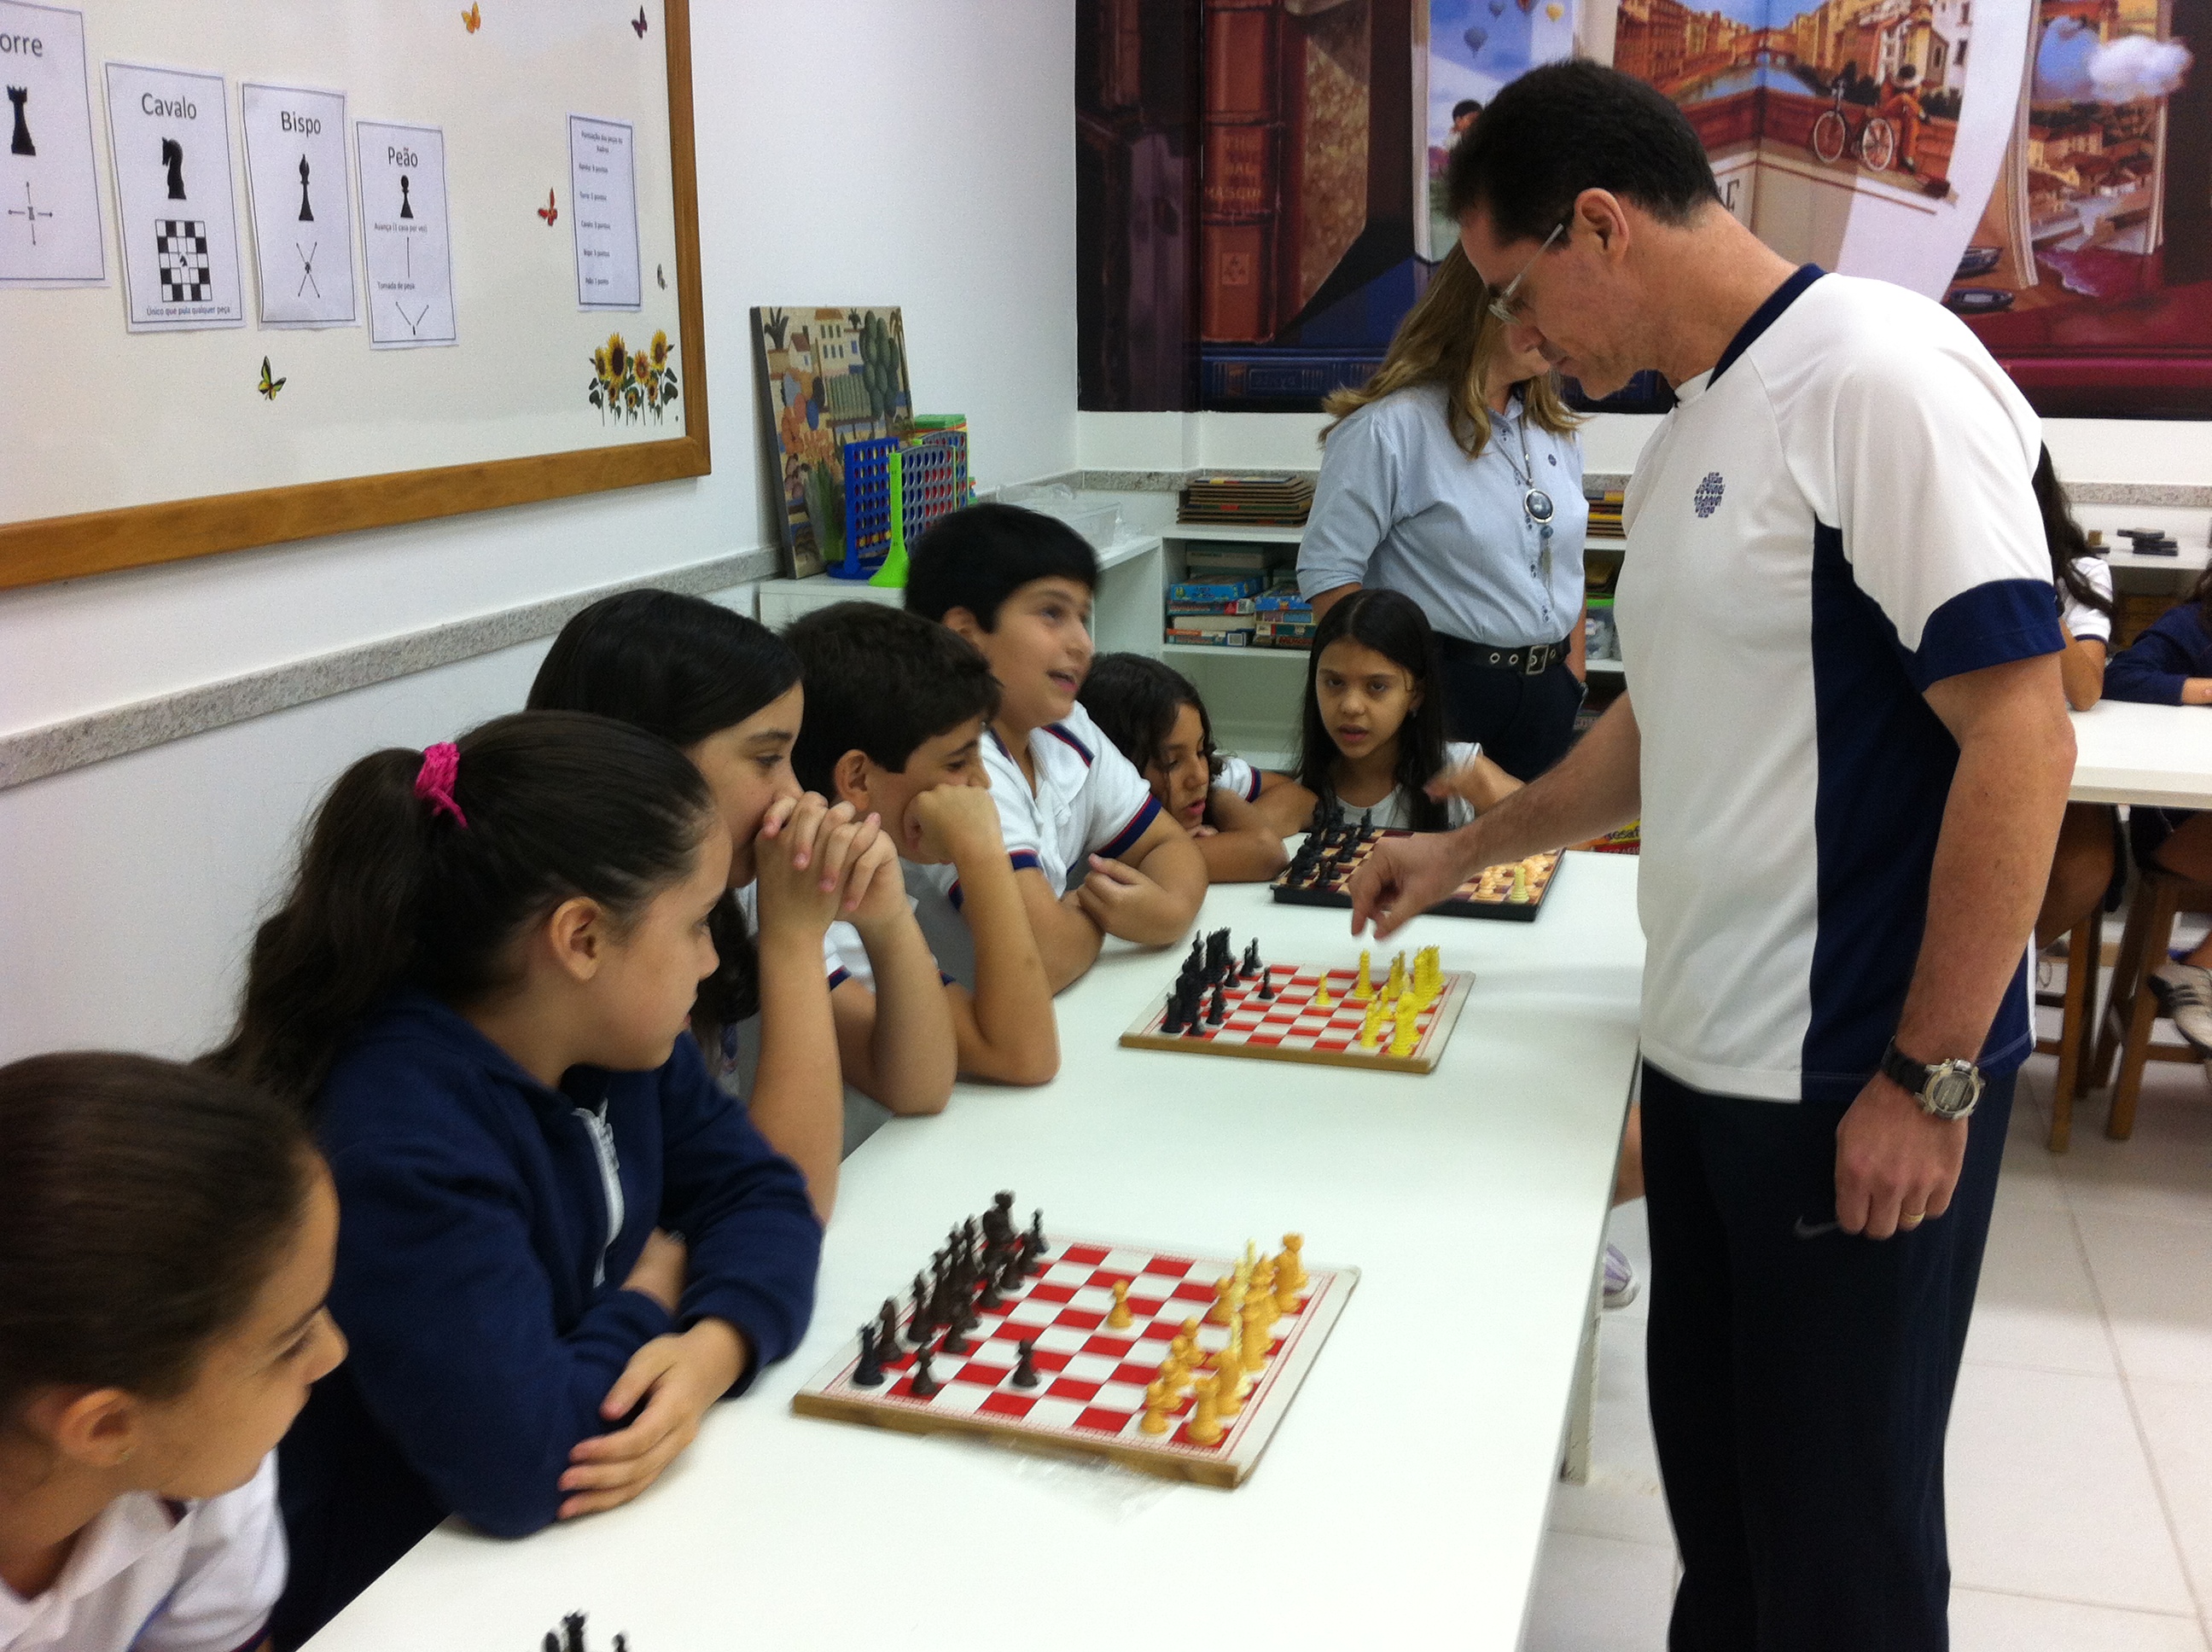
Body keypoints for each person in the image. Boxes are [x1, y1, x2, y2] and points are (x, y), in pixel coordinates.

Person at [1355, 62, 2073, 1649]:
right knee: (1731, 1520)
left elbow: (2022, 739)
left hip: (1847, 1081)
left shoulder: (1872, 375)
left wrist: (1929, 1078)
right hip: (1701, 1071)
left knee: (1841, 1549)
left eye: (1518, 293)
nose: (1519, 339)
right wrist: (1464, 848)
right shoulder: (1689, 433)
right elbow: (1651, 726)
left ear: (1597, 224)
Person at [207, 713, 824, 1646]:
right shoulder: (401, 1133)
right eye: (697, 924)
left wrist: (716, 1347)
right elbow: (523, 1460)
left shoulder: (620, 1041)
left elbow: (768, 1198)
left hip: (553, 1553)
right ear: (580, 938)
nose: (711, 958)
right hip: (399, 1587)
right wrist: (650, 1293)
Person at [528, 590, 910, 1199]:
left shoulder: (745, 883)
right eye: (766, 759)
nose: (793, 795)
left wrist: (886, 919)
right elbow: (796, 1197)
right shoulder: (601, 944)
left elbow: (916, 1082)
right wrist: (792, 940)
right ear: (646, 759)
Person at [0, 1053, 346, 1652]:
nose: (334, 1352)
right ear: (107, 1427)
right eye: (290, 1342)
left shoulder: (191, 1467)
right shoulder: (192, 1453)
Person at [1298, 242, 1590, 780]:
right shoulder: (1390, 429)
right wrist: (1391, 693)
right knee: (1439, 856)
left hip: (1548, 691)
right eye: (1539, 312)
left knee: (1532, 864)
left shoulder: (1554, 428)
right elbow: (1328, 575)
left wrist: (1572, 675)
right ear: (1479, 309)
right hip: (1444, 690)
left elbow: (1564, 558)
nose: (1556, 331)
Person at [905, 504, 1208, 990]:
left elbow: (1169, 844)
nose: (1083, 644)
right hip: (954, 1052)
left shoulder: (1064, 727)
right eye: (1052, 613)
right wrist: (1099, 917)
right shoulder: (954, 764)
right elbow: (1040, 957)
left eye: (1082, 618)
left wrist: (1169, 911)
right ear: (965, 637)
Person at [783, 602, 1059, 1087]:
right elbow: (1024, 1056)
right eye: (957, 764)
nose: (983, 785)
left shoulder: (885, 848)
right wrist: (983, 855)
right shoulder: (817, 881)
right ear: (857, 777)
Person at [1295, 588, 1522, 831]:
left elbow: (1566, 839)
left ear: (1416, 694)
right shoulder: (1298, 798)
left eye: (1376, 686)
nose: (1351, 706)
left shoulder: (1464, 773)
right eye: (1334, 682)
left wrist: (1500, 807)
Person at [1079, 652, 1314, 881]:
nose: (1200, 776)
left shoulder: (1203, 774)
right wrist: (1234, 842)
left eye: (1201, 750)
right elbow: (1267, 853)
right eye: (1171, 763)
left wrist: (1226, 816)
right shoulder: (1104, 825)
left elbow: (1298, 796)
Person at [2104, 562, 2212, 1055]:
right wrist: (2201, 690)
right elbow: (2119, 677)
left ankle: (2199, 969)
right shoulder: (2195, 624)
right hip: (2179, 820)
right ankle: (2197, 971)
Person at [2032, 446, 2120, 953]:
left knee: (2082, 868)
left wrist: (2031, 585)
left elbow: (2085, 691)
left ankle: (2010, 966)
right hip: (1963, 747)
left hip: (2059, 752)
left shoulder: (2082, 573)